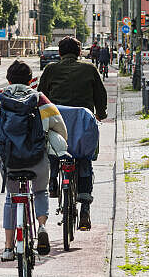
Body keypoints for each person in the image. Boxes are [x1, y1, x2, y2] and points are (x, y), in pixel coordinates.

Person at [0, 61, 68, 261]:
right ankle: (42, 226)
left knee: (11, 198)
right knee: (40, 191)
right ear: (31, 80)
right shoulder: (40, 100)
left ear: (8, 80)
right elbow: (59, 126)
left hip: (10, 161)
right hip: (37, 159)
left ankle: (8, 248)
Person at [37, 36, 108, 231]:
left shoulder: (51, 69)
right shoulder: (89, 69)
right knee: (84, 159)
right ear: (79, 53)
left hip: (58, 124)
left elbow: (41, 95)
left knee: (53, 148)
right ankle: (84, 207)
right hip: (82, 124)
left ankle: (52, 181)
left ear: (60, 53)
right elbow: (100, 95)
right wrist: (100, 114)